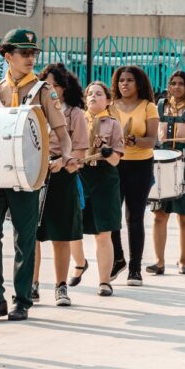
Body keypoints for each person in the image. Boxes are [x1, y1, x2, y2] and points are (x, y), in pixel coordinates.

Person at [0, 28, 75, 322]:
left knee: (25, 237)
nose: (30, 58)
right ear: (8, 56)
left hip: (29, 174)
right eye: (24, 53)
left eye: (33, 53)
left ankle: (22, 299)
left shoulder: (42, 91)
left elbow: (62, 132)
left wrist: (66, 154)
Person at [33, 64, 88, 306]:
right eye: (46, 85)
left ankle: (61, 286)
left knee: (61, 236)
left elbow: (81, 150)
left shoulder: (75, 113)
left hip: (62, 176)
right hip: (34, 175)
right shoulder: (33, 110)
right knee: (30, 235)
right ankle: (31, 284)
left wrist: (63, 161)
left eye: (55, 85)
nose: (51, 90)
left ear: (65, 88)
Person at [108, 66, 159, 287]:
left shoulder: (149, 107)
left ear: (138, 83)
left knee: (134, 218)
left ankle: (135, 269)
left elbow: (151, 140)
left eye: (129, 80)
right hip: (114, 165)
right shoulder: (109, 108)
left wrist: (134, 141)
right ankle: (117, 258)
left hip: (140, 165)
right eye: (121, 81)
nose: (124, 84)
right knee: (111, 217)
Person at [148, 70, 185, 275]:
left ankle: (183, 261)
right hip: (162, 160)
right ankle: (159, 262)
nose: (177, 87)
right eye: (173, 83)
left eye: (181, 83)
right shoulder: (159, 106)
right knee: (159, 214)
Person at [80, 81, 125, 296]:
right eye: (90, 93)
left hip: (104, 177)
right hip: (80, 175)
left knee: (103, 233)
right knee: (71, 230)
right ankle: (79, 264)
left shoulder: (114, 124)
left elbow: (116, 160)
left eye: (99, 94)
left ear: (108, 100)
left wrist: (107, 151)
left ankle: (104, 281)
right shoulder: (77, 120)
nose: (93, 97)